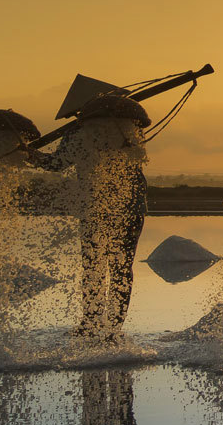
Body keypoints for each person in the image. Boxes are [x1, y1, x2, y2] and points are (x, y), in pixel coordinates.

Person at [34, 94, 152, 344]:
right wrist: (28, 155)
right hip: (101, 210)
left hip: (120, 209)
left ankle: (107, 327)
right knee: (108, 268)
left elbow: (55, 163)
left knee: (105, 268)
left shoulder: (119, 128)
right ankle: (97, 324)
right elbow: (56, 163)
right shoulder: (100, 130)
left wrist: (29, 156)